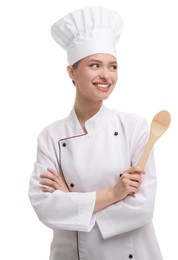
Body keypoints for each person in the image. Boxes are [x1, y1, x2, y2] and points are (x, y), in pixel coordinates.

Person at [28, 6, 163, 260]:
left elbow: (142, 207)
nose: (106, 75)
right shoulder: (51, 136)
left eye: (113, 66)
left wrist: (73, 203)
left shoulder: (134, 128)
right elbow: (45, 206)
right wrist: (113, 194)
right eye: (94, 65)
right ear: (71, 72)